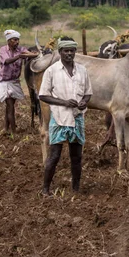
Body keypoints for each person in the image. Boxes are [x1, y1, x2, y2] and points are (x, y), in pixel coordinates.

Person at [39, 37, 92, 196]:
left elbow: (88, 93)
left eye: (72, 50)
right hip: (59, 118)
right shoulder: (52, 71)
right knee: (54, 156)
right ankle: (45, 189)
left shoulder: (82, 70)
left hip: (77, 118)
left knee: (76, 157)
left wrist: (83, 102)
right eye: (66, 51)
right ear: (60, 52)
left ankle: (75, 189)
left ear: (75, 52)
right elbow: (43, 95)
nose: (69, 53)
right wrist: (63, 102)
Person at [0, 29, 37, 135]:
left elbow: (32, 55)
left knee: (9, 106)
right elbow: (7, 61)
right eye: (15, 40)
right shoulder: (3, 50)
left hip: (14, 81)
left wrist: (34, 54)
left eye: (18, 40)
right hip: (5, 82)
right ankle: (14, 133)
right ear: (9, 41)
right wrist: (20, 56)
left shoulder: (21, 49)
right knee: (10, 106)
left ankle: (6, 129)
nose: (17, 42)